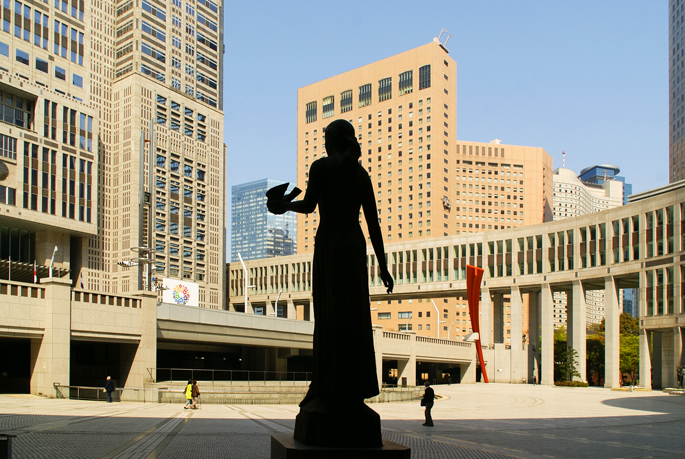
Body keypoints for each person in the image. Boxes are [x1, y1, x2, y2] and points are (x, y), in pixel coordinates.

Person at [267, 119, 393, 447]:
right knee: (352, 316)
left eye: (325, 138)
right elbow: (373, 223)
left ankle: (327, 387)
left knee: (329, 317)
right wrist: (383, 265)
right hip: (353, 244)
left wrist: (283, 205)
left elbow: (308, 206)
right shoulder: (359, 173)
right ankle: (351, 390)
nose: (323, 143)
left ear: (331, 139)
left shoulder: (320, 167)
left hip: (329, 243)